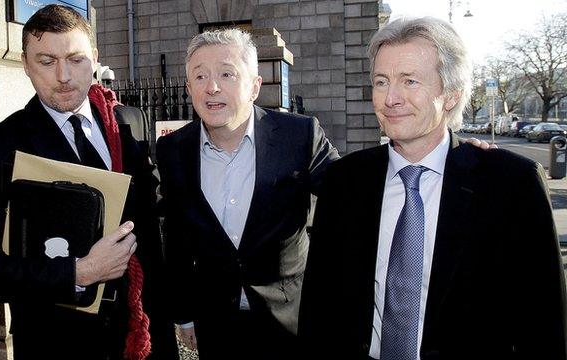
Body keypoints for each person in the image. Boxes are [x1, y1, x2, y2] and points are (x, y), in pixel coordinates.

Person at [299, 16, 567, 360]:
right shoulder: (345, 181)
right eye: (381, 82)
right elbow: (319, 309)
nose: (391, 98)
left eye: (409, 81)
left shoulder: (510, 185)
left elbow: (543, 326)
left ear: (451, 94)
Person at [0, 5, 178, 360]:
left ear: (94, 58)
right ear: (26, 65)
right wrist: (79, 271)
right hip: (58, 343)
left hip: (143, 335)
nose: (63, 75)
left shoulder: (128, 123)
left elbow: (152, 234)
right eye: (46, 61)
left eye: (75, 59)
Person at [155, 28, 339, 360]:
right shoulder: (173, 150)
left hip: (291, 323)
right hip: (217, 325)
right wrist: (183, 314)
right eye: (200, 76)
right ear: (188, 88)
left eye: (226, 74)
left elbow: (353, 194)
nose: (212, 87)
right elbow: (178, 239)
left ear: (254, 86)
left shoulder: (299, 136)